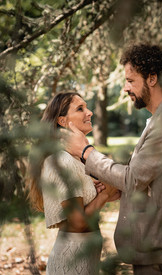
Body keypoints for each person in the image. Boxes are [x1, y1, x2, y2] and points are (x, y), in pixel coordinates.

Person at [64, 44, 162, 275]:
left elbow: (132, 178)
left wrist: (86, 151)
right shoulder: (160, 118)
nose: (125, 88)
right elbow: (146, 176)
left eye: (130, 80)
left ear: (152, 78)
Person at [27, 92, 120, 275]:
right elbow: (78, 223)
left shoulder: (73, 159)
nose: (90, 112)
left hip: (85, 260)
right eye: (80, 109)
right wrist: (103, 195)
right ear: (62, 121)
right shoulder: (62, 161)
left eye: (87, 107)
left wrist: (106, 190)